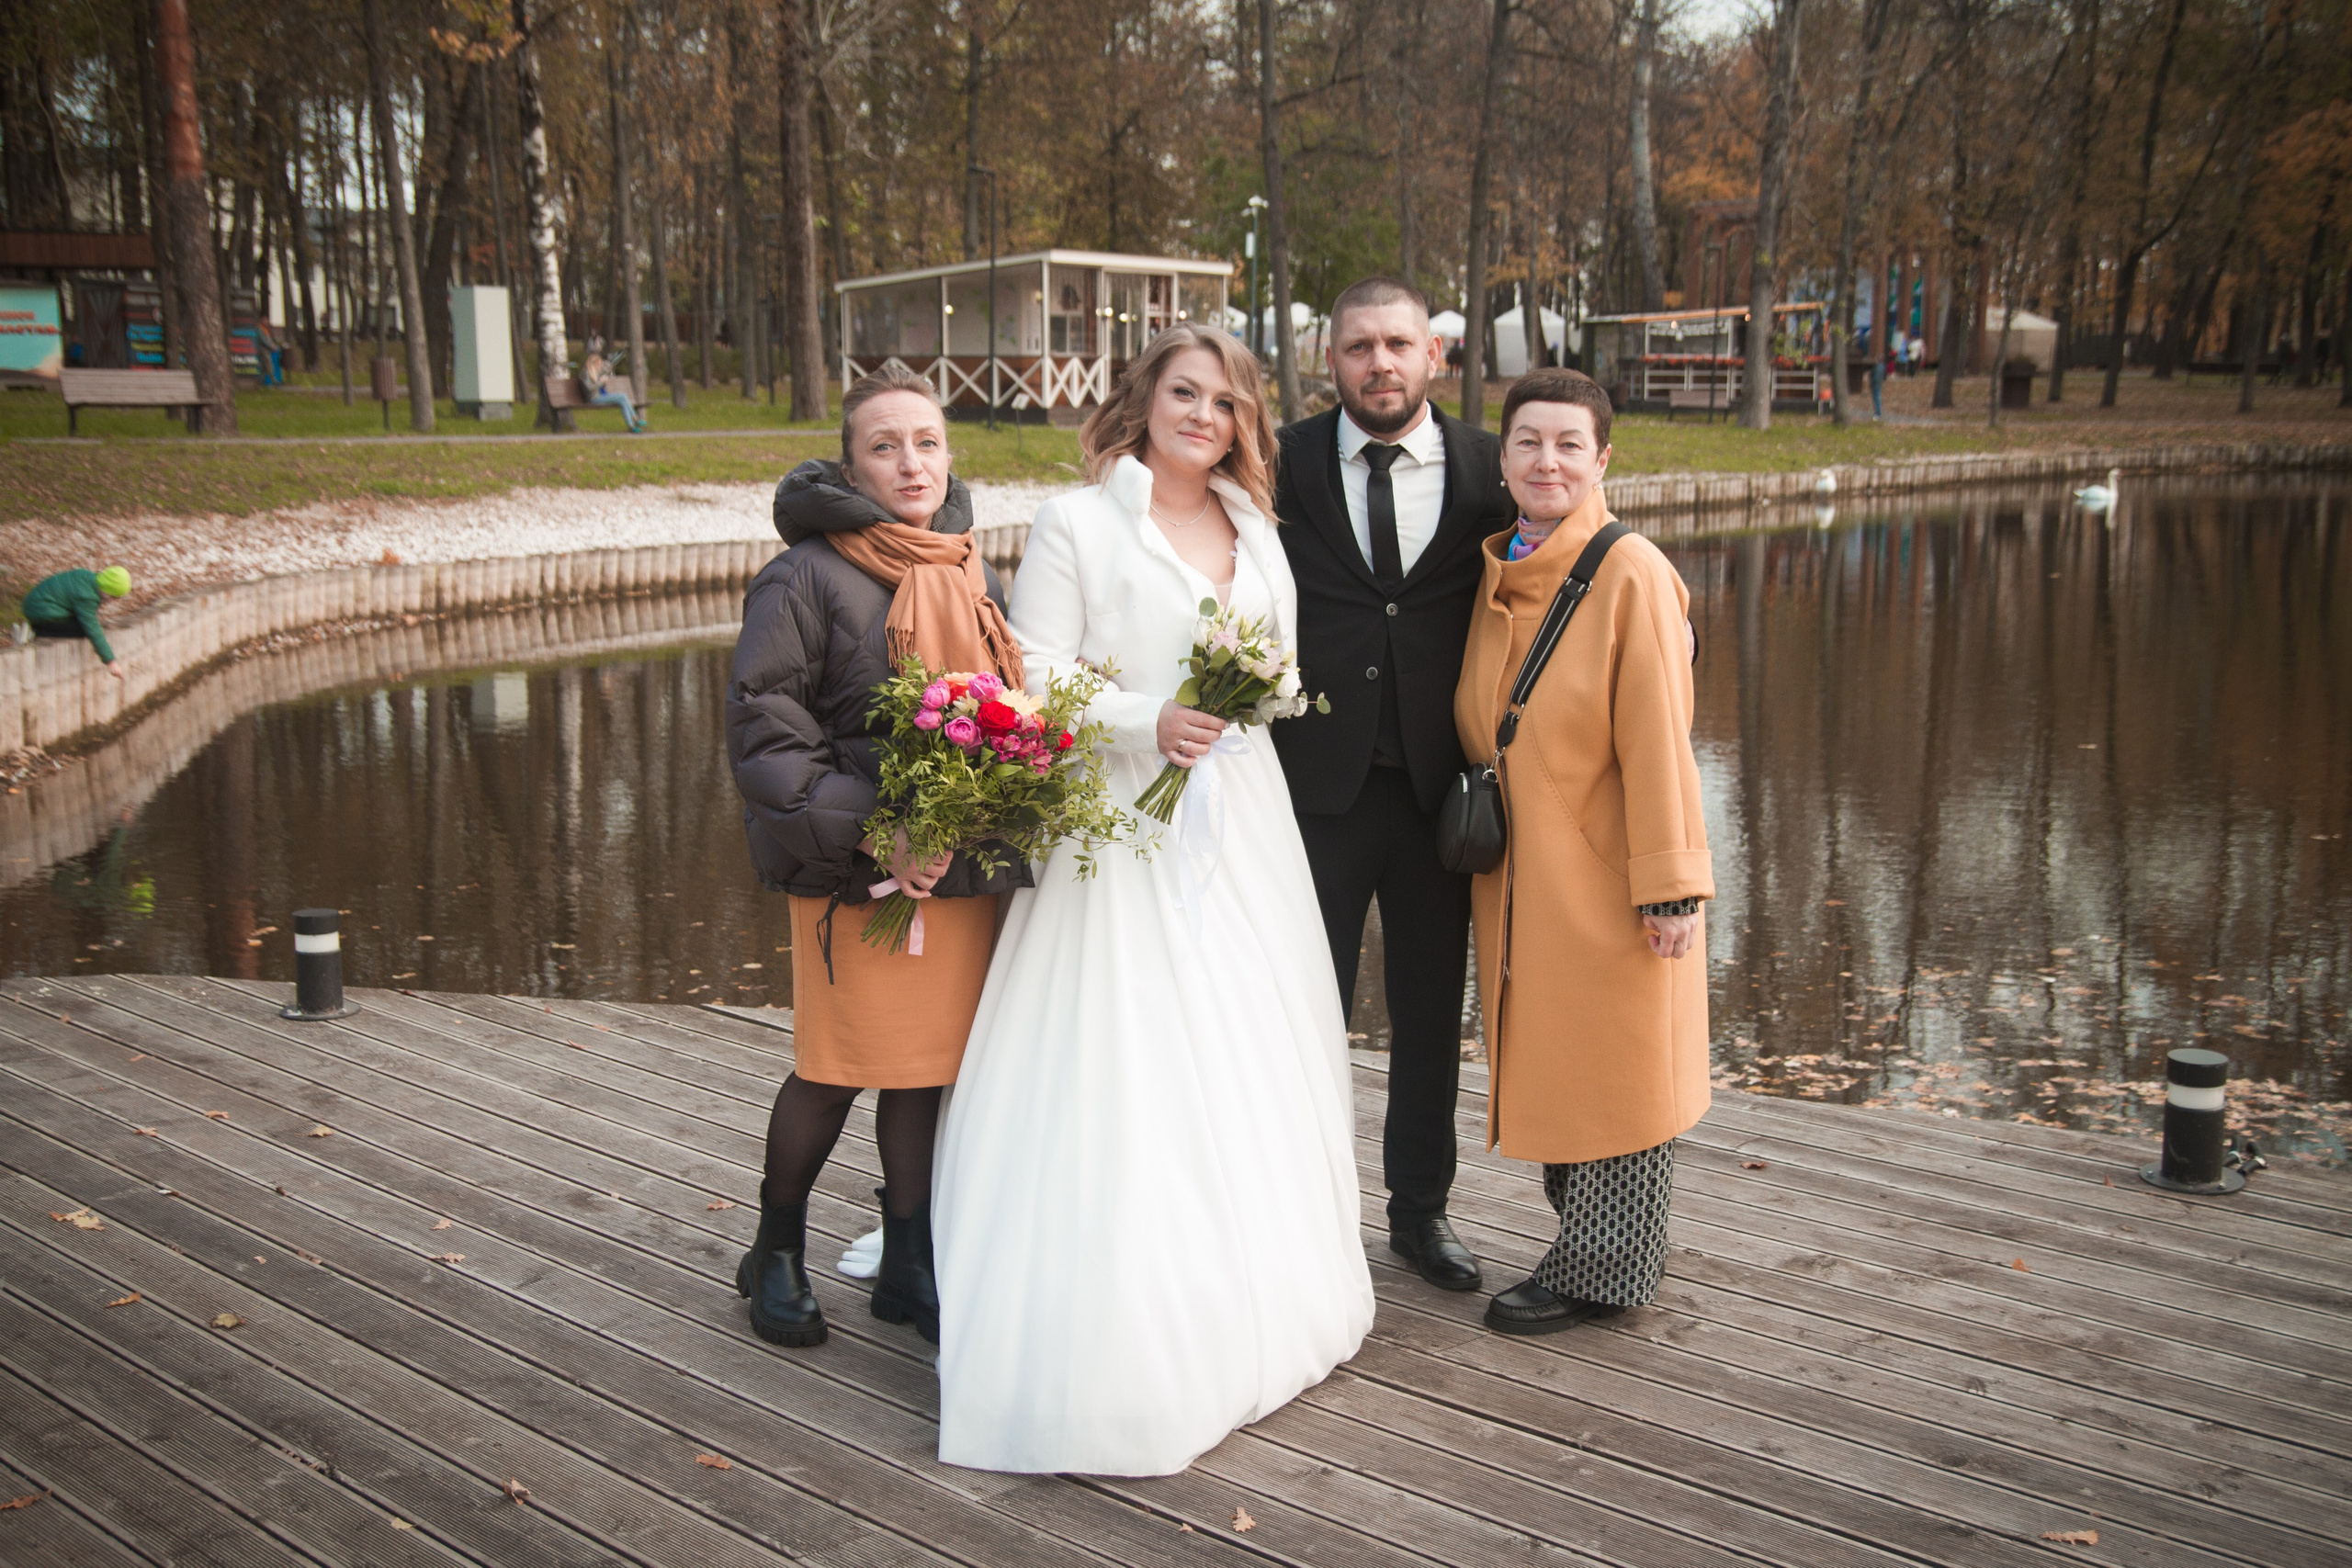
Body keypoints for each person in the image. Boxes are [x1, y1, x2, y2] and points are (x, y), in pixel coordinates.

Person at [933, 322, 1373, 1476]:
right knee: (1128, 1046)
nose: (1203, 417)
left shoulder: (1254, 526)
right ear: (1144, 398)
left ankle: (1260, 1288)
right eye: (1185, 392)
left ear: (1243, 422)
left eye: (1225, 403)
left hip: (1241, 818)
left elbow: (1282, 668)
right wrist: (1146, 720)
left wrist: (1251, 696)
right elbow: (1035, 674)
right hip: (1120, 820)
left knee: (1249, 1037)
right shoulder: (1079, 522)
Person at [726, 365, 1028, 1349]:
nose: (910, 463)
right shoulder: (804, 576)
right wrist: (880, 830)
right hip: (852, 869)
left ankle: (909, 1259)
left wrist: (985, 804)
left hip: (958, 870)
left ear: (950, 453)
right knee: (838, 1063)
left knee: (925, 1070)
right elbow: (767, 738)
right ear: (850, 466)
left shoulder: (970, 569)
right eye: (884, 446)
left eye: (927, 442)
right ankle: (774, 1250)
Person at [1453, 367, 1713, 1336]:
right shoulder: (1500, 570)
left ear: (1603, 459)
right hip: (1529, 881)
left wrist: (1670, 887)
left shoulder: (1628, 570)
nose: (1547, 461)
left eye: (1569, 444)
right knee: (1570, 1068)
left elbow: (1659, 741)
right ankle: (1591, 1248)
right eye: (1528, 441)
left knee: (1621, 1074)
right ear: (1503, 458)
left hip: (1608, 875)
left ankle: (1603, 1273)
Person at [1269, 276, 1515, 1293]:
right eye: (1360, 346)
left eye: (1398, 344)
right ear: (1329, 359)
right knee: (1299, 1015)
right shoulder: (1275, 462)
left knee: (1427, 1016)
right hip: (1305, 790)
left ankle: (1420, 1214)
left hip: (1437, 796)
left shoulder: (1489, 468)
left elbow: (1572, 554)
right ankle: (1302, 1216)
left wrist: (1665, 617)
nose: (1380, 363)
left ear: (1433, 356)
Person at [22, 566, 132, 680]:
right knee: (82, 630)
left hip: (35, 605)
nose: (111, 601)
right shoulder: (86, 597)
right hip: (41, 612)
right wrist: (111, 662)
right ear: (108, 590)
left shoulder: (86, 576)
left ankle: (42, 627)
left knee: (82, 624)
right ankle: (42, 631)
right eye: (114, 597)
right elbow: (92, 628)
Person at [578, 347, 646, 432]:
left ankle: (631, 426)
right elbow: (589, 387)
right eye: (598, 365)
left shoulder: (594, 373)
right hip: (593, 399)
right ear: (593, 363)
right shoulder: (586, 373)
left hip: (598, 396)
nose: (600, 367)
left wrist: (603, 382)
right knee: (622, 396)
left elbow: (597, 385)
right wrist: (601, 382)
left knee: (622, 401)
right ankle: (636, 419)